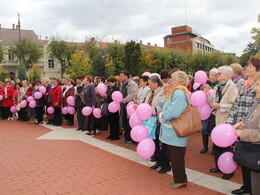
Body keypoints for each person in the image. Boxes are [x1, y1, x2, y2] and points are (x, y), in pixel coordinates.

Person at [229, 56, 260, 195]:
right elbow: (237, 104)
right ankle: (247, 186)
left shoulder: (257, 85)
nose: (247, 68)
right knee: (245, 158)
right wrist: (234, 122)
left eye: (251, 66)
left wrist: (244, 128)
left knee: (252, 160)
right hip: (244, 124)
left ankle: (251, 187)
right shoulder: (244, 84)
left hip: (251, 130)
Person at [159, 71, 190, 189]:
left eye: (173, 79)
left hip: (176, 132)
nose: (170, 81)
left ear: (179, 81)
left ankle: (180, 180)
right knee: (175, 156)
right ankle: (179, 179)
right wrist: (164, 92)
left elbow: (173, 112)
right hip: (173, 131)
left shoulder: (179, 93)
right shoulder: (175, 92)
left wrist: (162, 116)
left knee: (177, 157)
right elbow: (162, 104)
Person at [208, 66, 239, 180]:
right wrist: (208, 96)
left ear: (227, 75)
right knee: (217, 145)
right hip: (218, 120)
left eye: (219, 73)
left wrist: (220, 106)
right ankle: (218, 166)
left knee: (226, 147)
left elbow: (234, 106)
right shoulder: (217, 87)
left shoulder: (232, 87)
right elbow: (212, 102)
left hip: (227, 121)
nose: (217, 75)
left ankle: (228, 170)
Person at [146, 75, 171, 174]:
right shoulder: (151, 92)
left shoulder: (162, 92)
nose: (149, 86)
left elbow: (163, 107)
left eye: (150, 84)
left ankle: (166, 165)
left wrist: (149, 110)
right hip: (151, 120)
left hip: (159, 120)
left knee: (161, 144)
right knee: (154, 141)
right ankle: (158, 161)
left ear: (156, 83)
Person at [199, 68, 219, 154]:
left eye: (215, 75)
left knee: (214, 128)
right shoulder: (204, 84)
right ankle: (205, 146)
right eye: (212, 75)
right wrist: (201, 88)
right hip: (204, 110)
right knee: (204, 127)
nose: (213, 77)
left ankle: (214, 147)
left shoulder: (218, 85)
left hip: (214, 110)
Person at [119, 70, 139, 146]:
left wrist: (123, 100)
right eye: (120, 76)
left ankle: (133, 139)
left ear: (126, 77)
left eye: (122, 76)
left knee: (131, 122)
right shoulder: (122, 85)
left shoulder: (133, 84)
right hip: (123, 106)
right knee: (125, 122)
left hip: (130, 106)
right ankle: (126, 137)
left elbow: (132, 95)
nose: (120, 77)